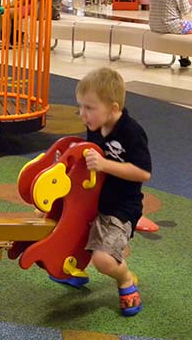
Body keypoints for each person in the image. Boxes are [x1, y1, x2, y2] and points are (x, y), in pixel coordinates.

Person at [73, 67, 151, 317]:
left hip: (122, 207)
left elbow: (143, 173)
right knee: (64, 228)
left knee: (104, 260)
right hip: (95, 200)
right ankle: (68, 268)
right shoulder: (96, 126)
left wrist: (105, 164)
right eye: (81, 107)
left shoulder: (131, 132)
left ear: (114, 108)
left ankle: (125, 279)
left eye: (89, 108)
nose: (82, 114)